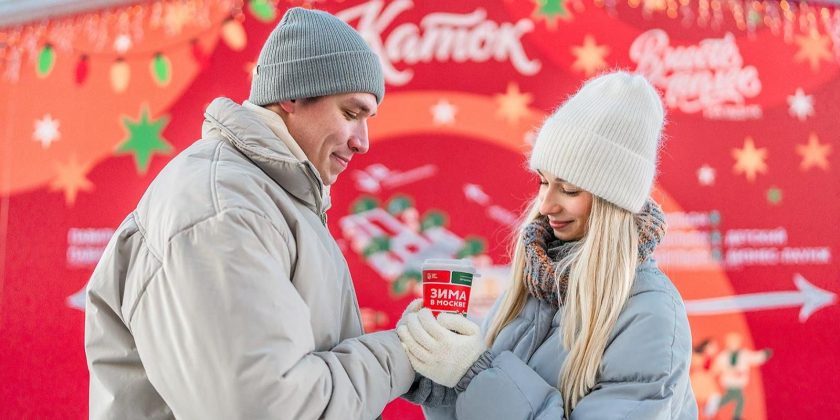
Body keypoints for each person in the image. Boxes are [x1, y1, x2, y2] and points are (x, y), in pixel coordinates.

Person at [84, 8, 413, 419]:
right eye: (351, 113)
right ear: (291, 97)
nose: (363, 141)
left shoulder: (268, 198)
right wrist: (403, 354)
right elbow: (268, 407)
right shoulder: (225, 209)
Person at [397, 71, 697, 419]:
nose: (546, 205)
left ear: (612, 203)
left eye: (568, 189)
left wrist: (475, 375)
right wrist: (440, 374)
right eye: (543, 182)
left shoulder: (650, 313)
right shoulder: (536, 280)